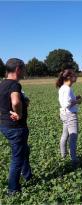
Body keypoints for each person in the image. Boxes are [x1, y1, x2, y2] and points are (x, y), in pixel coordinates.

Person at [0, 58, 32, 195]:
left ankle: (28, 176)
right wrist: (18, 113)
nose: (24, 72)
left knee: (24, 150)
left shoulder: (2, 84)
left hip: (4, 125)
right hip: (16, 127)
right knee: (17, 157)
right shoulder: (14, 85)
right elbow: (15, 101)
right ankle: (13, 189)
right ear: (18, 69)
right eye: (23, 69)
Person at [56, 69, 82, 168]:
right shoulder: (67, 89)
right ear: (69, 77)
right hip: (70, 114)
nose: (76, 77)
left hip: (63, 114)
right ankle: (74, 160)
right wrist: (77, 101)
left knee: (65, 135)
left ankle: (63, 155)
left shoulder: (62, 88)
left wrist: (75, 98)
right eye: (74, 75)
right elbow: (67, 104)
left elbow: (65, 102)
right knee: (73, 137)